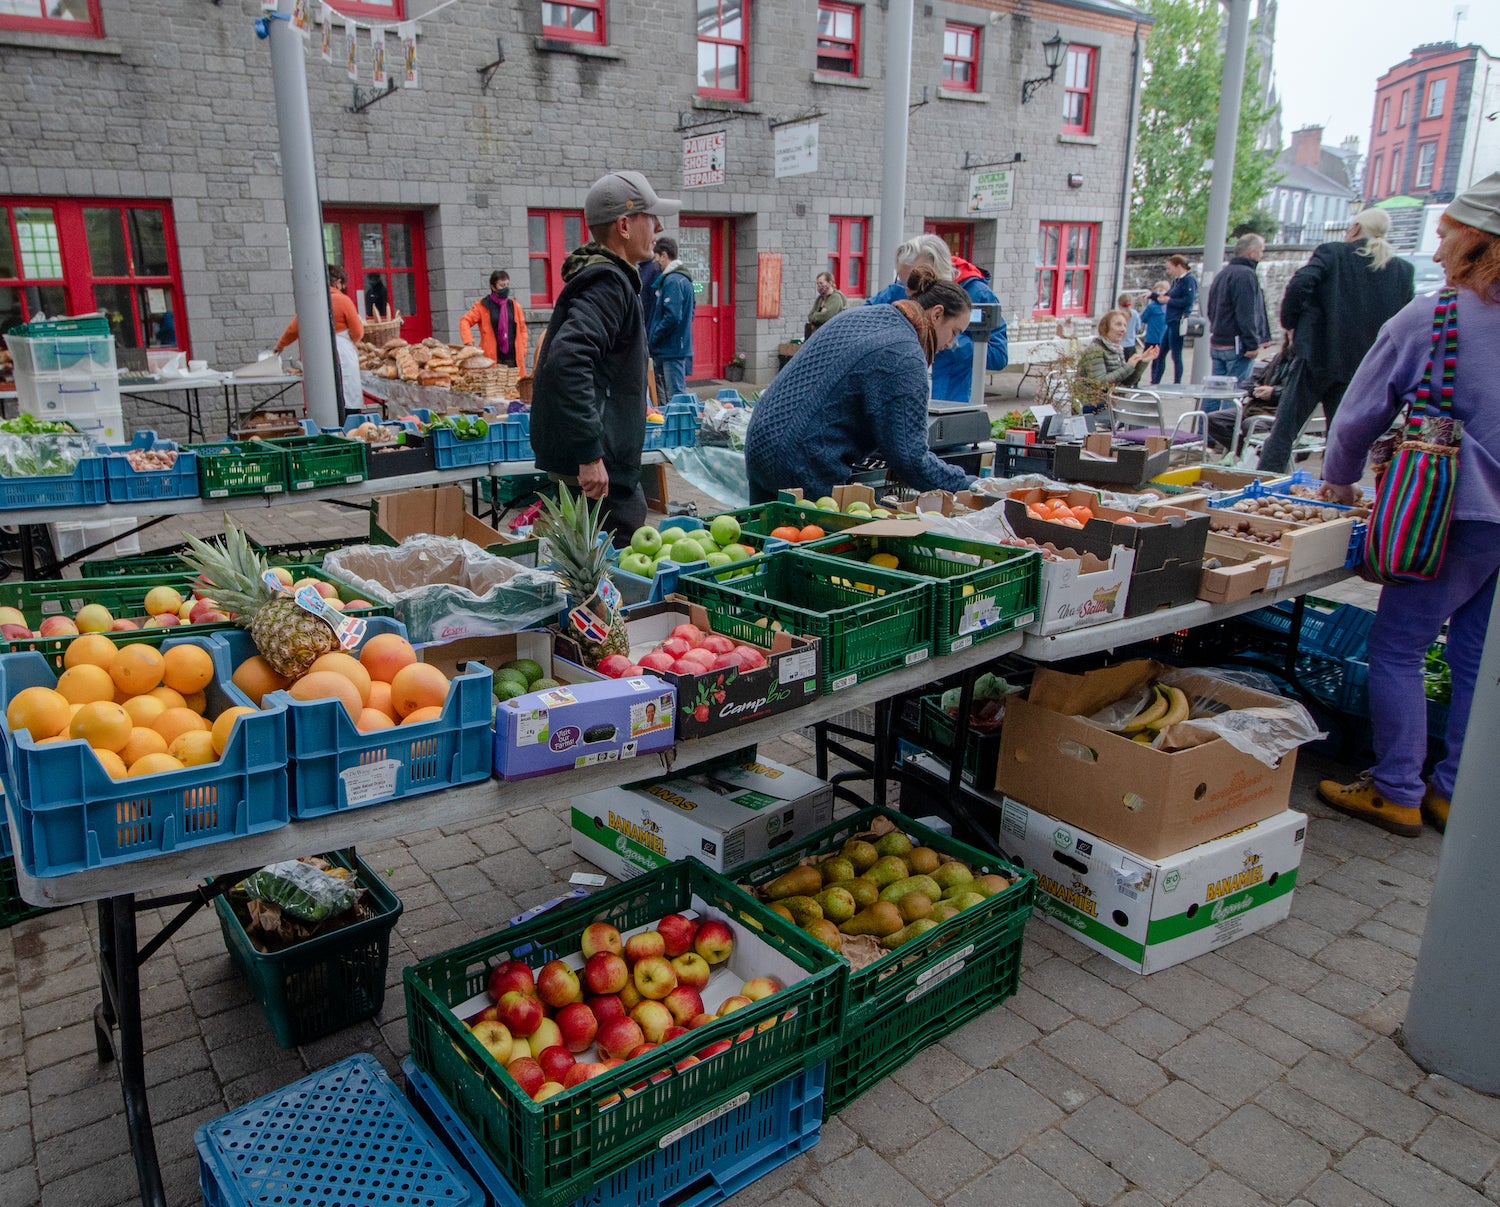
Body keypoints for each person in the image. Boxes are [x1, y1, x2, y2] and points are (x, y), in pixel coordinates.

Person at [1315, 174, 1500, 837]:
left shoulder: (1437, 314)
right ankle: (1453, 791)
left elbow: (1360, 412)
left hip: (1449, 515)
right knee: (1477, 655)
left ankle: (1396, 788)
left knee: (1398, 646)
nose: (1441, 239)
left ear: (1475, 241)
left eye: (1448, 230)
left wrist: (1338, 481)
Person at [529, 169, 679, 545]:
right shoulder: (609, 283)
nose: (658, 226)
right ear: (625, 225)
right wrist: (590, 453)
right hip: (600, 471)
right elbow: (568, 359)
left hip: (600, 462)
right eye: (651, 216)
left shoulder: (606, 277)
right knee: (615, 576)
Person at [745, 266, 977, 503]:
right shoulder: (905, 354)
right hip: (803, 460)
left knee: (766, 535)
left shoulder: (865, 316)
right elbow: (910, 459)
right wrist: (969, 485)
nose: (951, 343)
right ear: (937, 314)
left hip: (762, 441)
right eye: (954, 332)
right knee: (810, 536)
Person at [1257, 208, 1415, 472]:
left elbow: (1299, 285)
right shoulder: (1401, 271)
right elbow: (1405, 319)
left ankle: (1263, 484)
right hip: (1362, 363)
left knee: (1285, 431)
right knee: (1341, 436)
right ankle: (1332, 490)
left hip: (1318, 353)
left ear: (1354, 229)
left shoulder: (1333, 253)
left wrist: (1291, 324)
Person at [865, 233, 1008, 402]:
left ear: (937, 273)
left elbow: (998, 356)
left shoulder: (978, 294)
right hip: (901, 396)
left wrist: (949, 338)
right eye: (903, 281)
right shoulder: (898, 289)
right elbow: (861, 322)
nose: (909, 292)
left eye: (915, 283)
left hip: (949, 400)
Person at [272, 263, 363, 416]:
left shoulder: (310, 302)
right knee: (346, 396)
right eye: (341, 284)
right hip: (342, 355)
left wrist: (280, 345)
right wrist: (352, 340)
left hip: (317, 355)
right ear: (336, 281)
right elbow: (358, 331)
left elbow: (294, 328)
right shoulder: (343, 301)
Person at [1206, 233, 1272, 386]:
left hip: (1219, 341)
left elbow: (1211, 308)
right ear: (1252, 252)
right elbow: (1247, 312)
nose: (1262, 255)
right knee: (1234, 393)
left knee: (1215, 392)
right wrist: (1252, 343)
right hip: (1237, 345)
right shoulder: (1246, 275)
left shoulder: (1223, 274)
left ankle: (1207, 412)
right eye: (1261, 250)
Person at [1207, 337, 1294, 451]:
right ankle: (1249, 455)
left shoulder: (1305, 363)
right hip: (1258, 407)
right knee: (1213, 419)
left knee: (1252, 424)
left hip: (1281, 412)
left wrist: (1273, 393)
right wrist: (1257, 390)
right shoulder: (1280, 357)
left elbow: (1299, 394)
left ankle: (1262, 458)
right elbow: (1250, 382)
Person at [647, 236, 695, 402]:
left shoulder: (672, 281)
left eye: (657, 257)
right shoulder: (684, 279)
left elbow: (672, 316)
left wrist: (654, 338)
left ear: (664, 255)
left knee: (675, 399)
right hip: (677, 346)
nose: (656, 263)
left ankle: (680, 428)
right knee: (675, 395)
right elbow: (691, 312)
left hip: (671, 349)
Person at [1077, 310, 1158, 400]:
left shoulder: (1117, 349)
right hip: (1093, 403)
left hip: (1111, 401)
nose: (1123, 329)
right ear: (1105, 327)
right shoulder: (1095, 350)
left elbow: (1126, 381)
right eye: (1118, 324)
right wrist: (1128, 366)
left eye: (1125, 325)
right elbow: (1099, 383)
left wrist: (1142, 362)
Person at [459, 270, 528, 369]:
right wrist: (469, 341)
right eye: (502, 285)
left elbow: (522, 330)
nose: (506, 288)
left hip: (513, 358)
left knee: (516, 384)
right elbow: (464, 321)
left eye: (507, 285)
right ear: (493, 287)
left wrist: (523, 349)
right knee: (493, 384)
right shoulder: (483, 306)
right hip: (492, 358)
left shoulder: (514, 306)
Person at [1154, 254, 1197, 385]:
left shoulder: (1189, 280)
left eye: (1169, 268)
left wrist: (1170, 301)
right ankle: (1156, 381)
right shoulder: (1176, 281)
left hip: (1178, 320)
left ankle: (1177, 382)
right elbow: (1166, 296)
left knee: (1176, 354)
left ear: (1179, 266)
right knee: (1161, 353)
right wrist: (1153, 296)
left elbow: (1188, 301)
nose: (1168, 271)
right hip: (1171, 320)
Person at [805, 271, 845, 338]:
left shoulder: (835, 298)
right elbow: (810, 315)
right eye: (818, 284)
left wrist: (816, 315)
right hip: (817, 335)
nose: (819, 286)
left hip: (831, 335)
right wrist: (818, 315)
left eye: (821, 283)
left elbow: (826, 317)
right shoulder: (820, 299)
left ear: (830, 283)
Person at [1140, 280, 1169, 361]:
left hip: (1163, 338)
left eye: (1161, 290)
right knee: (1144, 358)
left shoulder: (1169, 306)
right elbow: (1143, 318)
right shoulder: (1152, 306)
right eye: (1157, 291)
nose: (1158, 293)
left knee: (1159, 360)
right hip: (1151, 338)